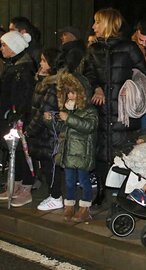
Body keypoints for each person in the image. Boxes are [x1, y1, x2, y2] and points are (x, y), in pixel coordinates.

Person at [83, 8, 146, 205]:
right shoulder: (93, 49)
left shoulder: (129, 47)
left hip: (124, 111)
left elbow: (144, 74)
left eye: (97, 22)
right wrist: (96, 88)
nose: (94, 26)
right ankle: (102, 191)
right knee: (101, 151)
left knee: (124, 151)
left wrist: (129, 87)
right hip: (102, 109)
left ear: (108, 24)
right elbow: (88, 74)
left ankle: (124, 192)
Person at [44, 72, 98, 222]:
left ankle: (85, 207)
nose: (70, 95)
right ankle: (69, 205)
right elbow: (61, 127)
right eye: (67, 92)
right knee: (68, 181)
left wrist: (69, 118)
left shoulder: (90, 110)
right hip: (67, 153)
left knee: (84, 181)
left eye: (73, 92)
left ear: (82, 93)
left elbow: (89, 126)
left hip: (82, 154)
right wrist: (50, 120)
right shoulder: (67, 109)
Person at [0, 31, 37, 207]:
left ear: (13, 47)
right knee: (15, 151)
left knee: (23, 151)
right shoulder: (15, 65)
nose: (1, 48)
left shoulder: (23, 69)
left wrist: (17, 114)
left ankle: (26, 187)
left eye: (4, 45)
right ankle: (16, 182)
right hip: (11, 116)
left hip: (20, 117)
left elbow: (25, 96)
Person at [25, 47, 64, 211]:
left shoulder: (53, 86)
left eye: (43, 60)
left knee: (51, 167)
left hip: (48, 133)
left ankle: (56, 197)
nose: (40, 63)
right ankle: (53, 194)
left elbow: (44, 112)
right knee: (46, 166)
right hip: (43, 133)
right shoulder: (46, 82)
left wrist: (30, 130)